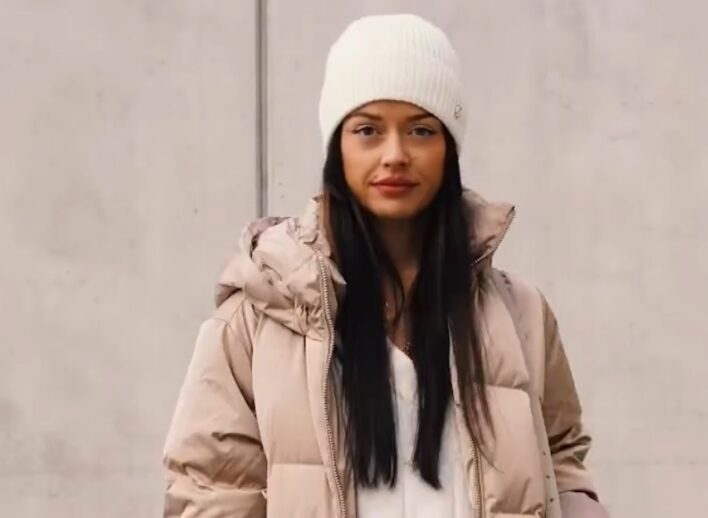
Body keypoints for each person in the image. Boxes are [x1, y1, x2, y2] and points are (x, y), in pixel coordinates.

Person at [163, 13, 609, 518]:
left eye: (420, 130)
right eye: (368, 130)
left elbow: (561, 462)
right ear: (338, 148)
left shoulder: (521, 314)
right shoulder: (256, 321)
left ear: (449, 149)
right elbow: (210, 491)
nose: (395, 154)